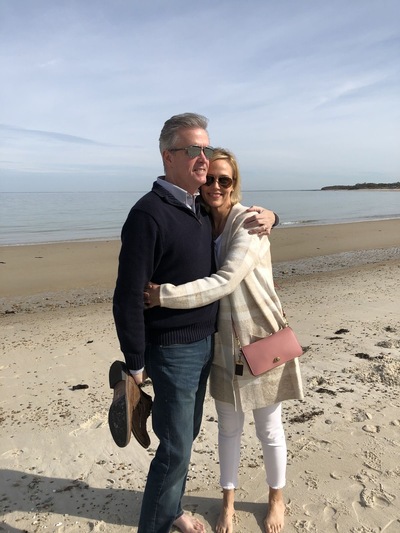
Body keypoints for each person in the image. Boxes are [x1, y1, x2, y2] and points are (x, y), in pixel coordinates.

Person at [112, 114, 277, 533]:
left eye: (206, 148)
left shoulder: (199, 207)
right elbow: (127, 294)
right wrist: (135, 360)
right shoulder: (148, 214)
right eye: (193, 150)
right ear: (168, 157)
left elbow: (236, 214)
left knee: (186, 438)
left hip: (207, 343)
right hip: (172, 350)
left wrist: (274, 216)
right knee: (174, 448)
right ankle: (156, 523)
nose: (203, 159)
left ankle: (171, 511)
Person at [144, 148, 304, 533]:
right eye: (210, 178)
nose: (215, 186)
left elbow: (225, 281)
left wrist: (164, 295)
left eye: (225, 180)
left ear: (234, 184)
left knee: (268, 429)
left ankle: (276, 498)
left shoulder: (248, 223)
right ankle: (228, 502)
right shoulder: (201, 220)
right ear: (200, 182)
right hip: (222, 345)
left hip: (261, 338)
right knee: (228, 428)